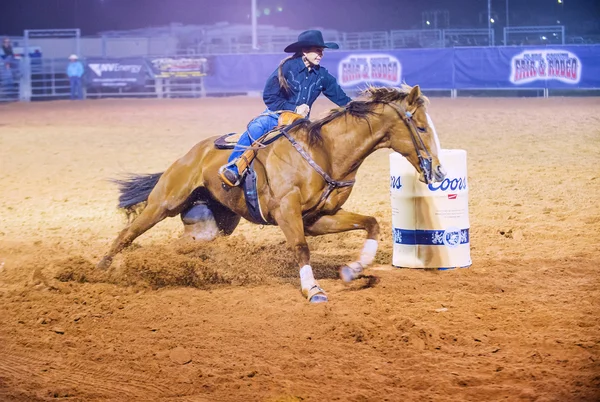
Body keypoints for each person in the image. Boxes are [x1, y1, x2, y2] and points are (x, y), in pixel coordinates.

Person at [219, 29, 352, 187]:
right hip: (276, 116)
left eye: (322, 51)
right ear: (305, 50)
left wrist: (357, 108)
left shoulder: (322, 75)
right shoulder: (287, 67)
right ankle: (234, 168)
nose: (321, 55)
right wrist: (294, 109)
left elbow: (341, 98)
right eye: (318, 51)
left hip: (301, 123)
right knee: (256, 127)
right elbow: (269, 96)